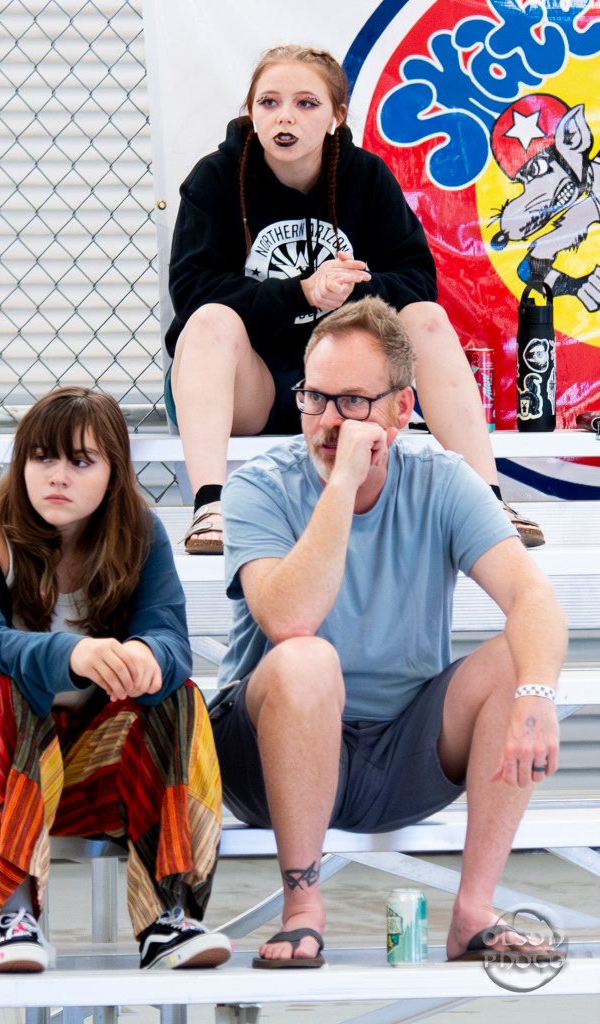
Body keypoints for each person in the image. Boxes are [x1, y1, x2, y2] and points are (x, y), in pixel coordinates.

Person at [209, 297, 566, 968]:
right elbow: (288, 620)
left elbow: (534, 598)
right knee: (307, 659)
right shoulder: (260, 486)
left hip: (401, 754)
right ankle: (302, 908)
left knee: (516, 658)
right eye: (314, 398)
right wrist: (342, 484)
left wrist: (536, 694)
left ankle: (474, 911)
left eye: (352, 402)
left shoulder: (441, 480)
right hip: (268, 753)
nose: (327, 421)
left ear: (402, 410)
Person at [0, 387, 232, 974]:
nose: (57, 476)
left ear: (113, 472)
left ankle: (167, 918)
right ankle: (14, 917)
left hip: (86, 777)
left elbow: (171, 639)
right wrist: (74, 654)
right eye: (42, 457)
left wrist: (148, 656)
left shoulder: (138, 533)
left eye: (80, 461)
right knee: (1, 689)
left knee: (177, 695)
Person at [165, 44, 544, 553]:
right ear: (251, 111)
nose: (285, 117)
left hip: (345, 390)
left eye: (306, 103)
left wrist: (349, 293)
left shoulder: (365, 176)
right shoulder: (214, 178)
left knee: (427, 317)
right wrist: (301, 292)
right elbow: (192, 291)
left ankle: (487, 499)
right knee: (210, 319)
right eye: (269, 102)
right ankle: (210, 506)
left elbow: (417, 278)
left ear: (336, 117)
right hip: (249, 390)